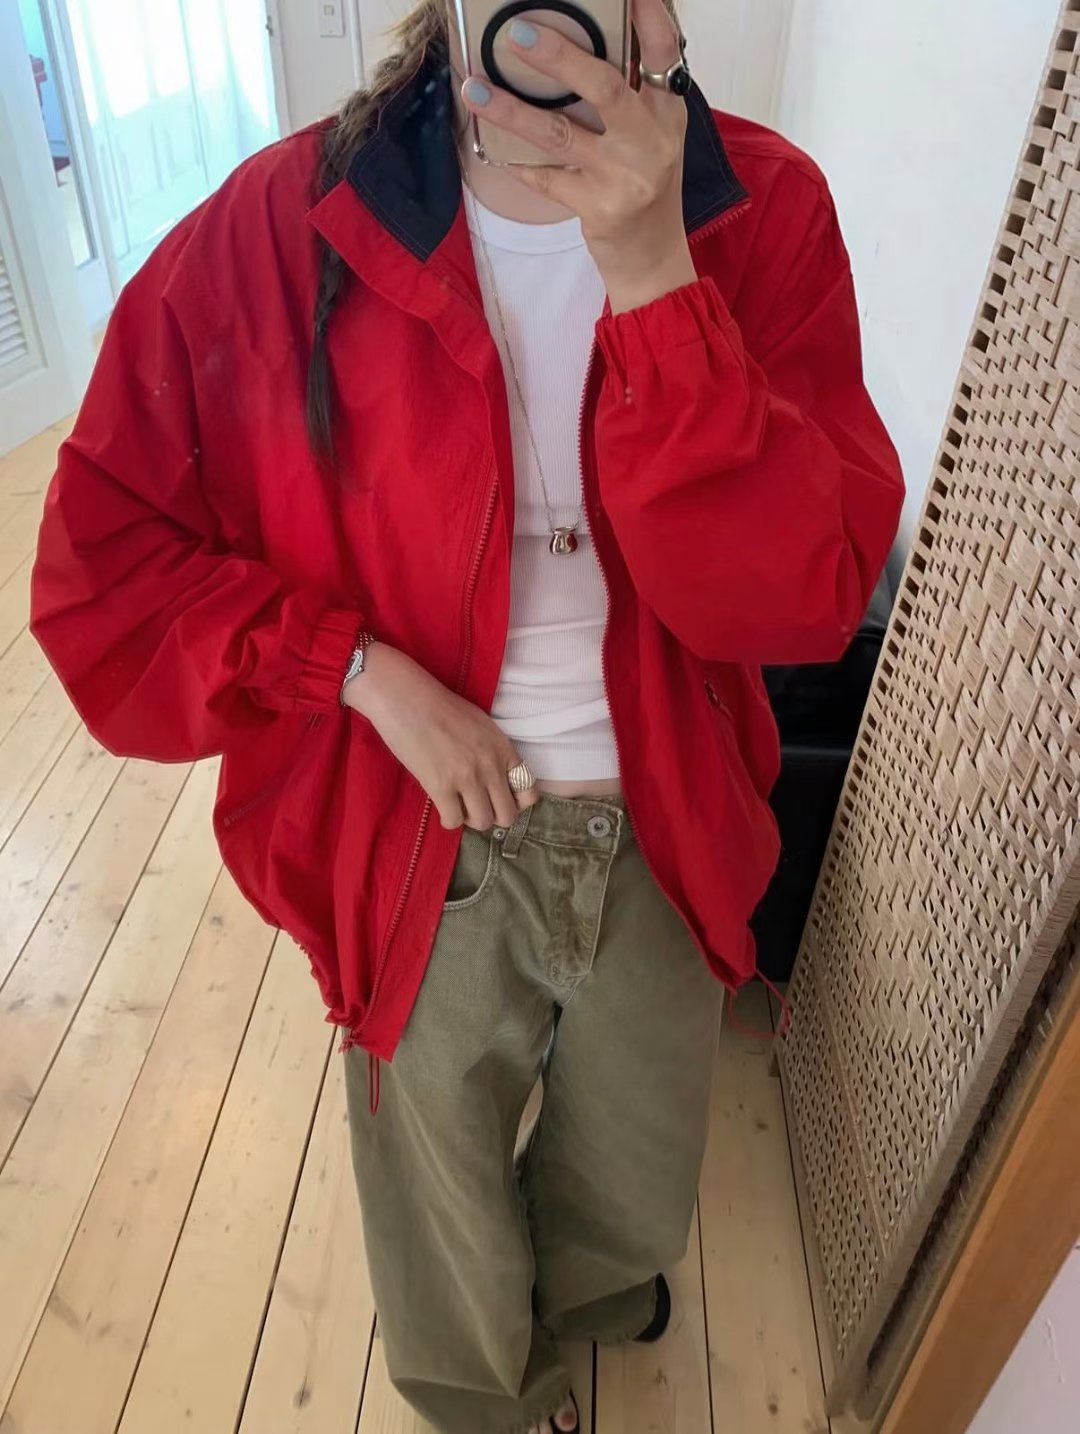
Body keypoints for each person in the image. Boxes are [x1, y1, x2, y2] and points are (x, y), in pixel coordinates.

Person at [29, 1, 904, 1430]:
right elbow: (101, 568)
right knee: (432, 1159)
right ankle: (482, 1394)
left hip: (669, 809)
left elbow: (799, 598)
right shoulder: (284, 225)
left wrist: (655, 275)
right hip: (407, 828)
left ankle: (596, 1296)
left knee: (639, 1152)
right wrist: (357, 671)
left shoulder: (762, 208)